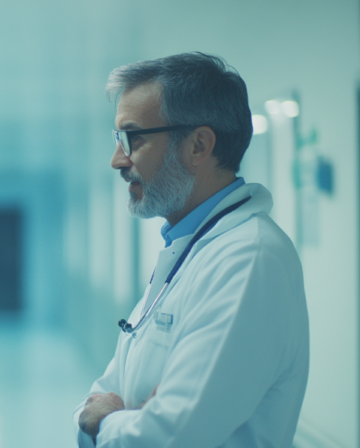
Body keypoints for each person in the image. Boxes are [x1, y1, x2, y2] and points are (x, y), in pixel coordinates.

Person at [73, 53, 309, 447]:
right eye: (118, 139)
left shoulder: (249, 260)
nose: (117, 160)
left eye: (134, 138)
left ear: (198, 145)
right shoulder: (188, 250)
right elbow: (96, 401)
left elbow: (170, 437)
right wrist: (103, 419)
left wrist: (106, 424)